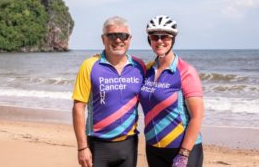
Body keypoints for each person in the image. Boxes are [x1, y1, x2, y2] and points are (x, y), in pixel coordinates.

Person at [72, 16, 146, 167]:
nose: (118, 40)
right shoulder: (89, 65)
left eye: (123, 36)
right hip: (97, 143)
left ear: (129, 39)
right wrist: (82, 147)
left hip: (129, 143)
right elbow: (79, 107)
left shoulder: (139, 66)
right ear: (103, 39)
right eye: (112, 35)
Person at [139, 15, 205, 167]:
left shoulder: (185, 71)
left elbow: (197, 116)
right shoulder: (147, 70)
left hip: (182, 149)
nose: (160, 41)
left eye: (165, 37)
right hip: (153, 148)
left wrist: (184, 153)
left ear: (173, 39)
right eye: (155, 37)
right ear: (150, 40)